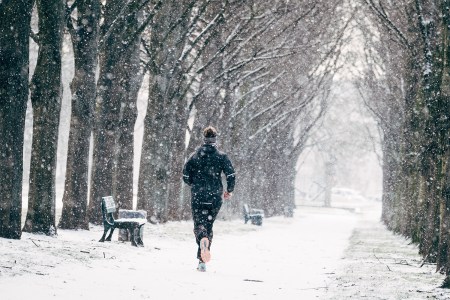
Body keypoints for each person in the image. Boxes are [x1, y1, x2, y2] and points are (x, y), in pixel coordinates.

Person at [183, 126, 235, 272]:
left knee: (199, 224)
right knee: (209, 224)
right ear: (215, 139)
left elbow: (185, 175)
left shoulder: (195, 156)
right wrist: (229, 190)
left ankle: (202, 239)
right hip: (214, 196)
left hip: (198, 195)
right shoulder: (222, 156)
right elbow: (231, 174)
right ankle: (202, 261)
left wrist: (193, 183)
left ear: (204, 139)